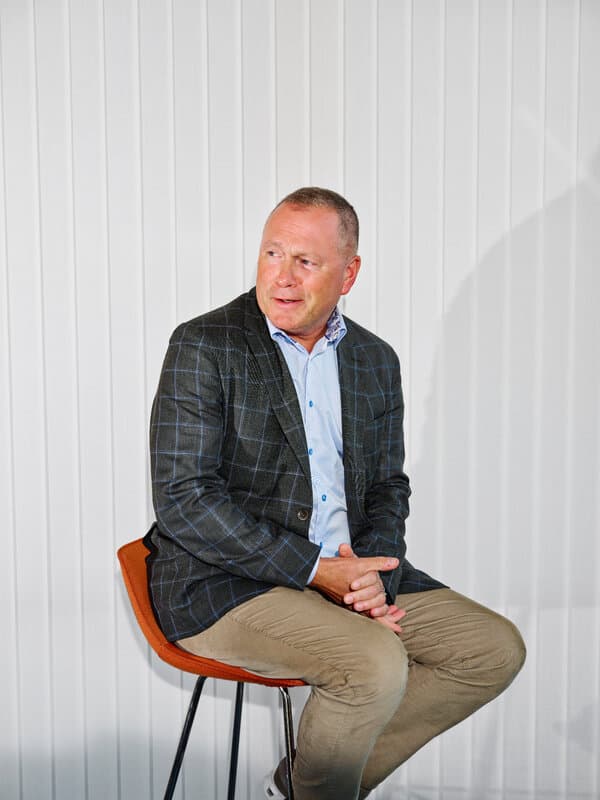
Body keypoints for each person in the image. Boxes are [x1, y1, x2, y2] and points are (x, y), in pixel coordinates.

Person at [144, 187, 525, 800]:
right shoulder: (205, 344)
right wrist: (318, 571)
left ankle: (307, 787)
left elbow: (386, 486)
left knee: (491, 650)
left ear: (349, 273)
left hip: (345, 572)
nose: (282, 278)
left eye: (306, 261)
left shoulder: (375, 359)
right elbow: (185, 499)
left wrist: (373, 573)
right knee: (373, 664)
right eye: (272, 254)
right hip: (222, 581)